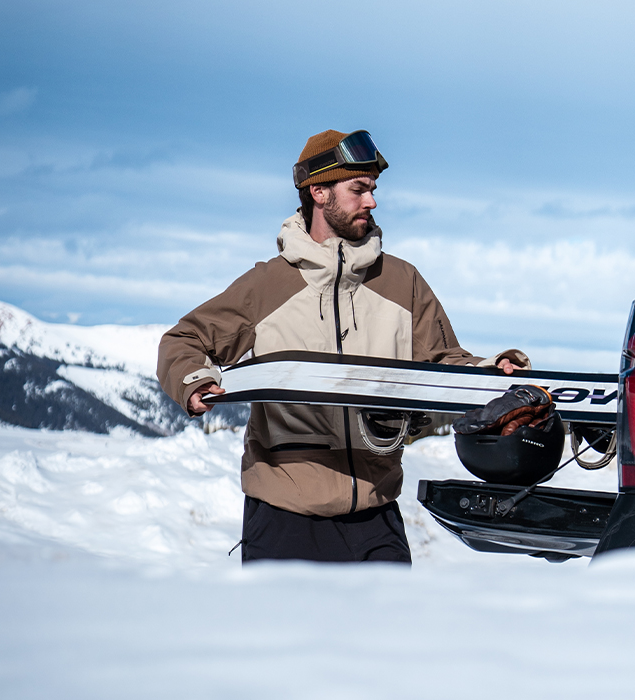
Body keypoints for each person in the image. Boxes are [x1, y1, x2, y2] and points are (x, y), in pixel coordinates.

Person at [157, 129, 528, 565]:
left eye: (372, 190)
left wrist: (490, 372)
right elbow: (184, 341)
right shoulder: (268, 285)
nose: (371, 202)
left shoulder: (401, 281)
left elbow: (443, 360)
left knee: (385, 635)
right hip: (283, 516)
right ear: (318, 191)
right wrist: (194, 380)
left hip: (376, 515)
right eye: (358, 190)